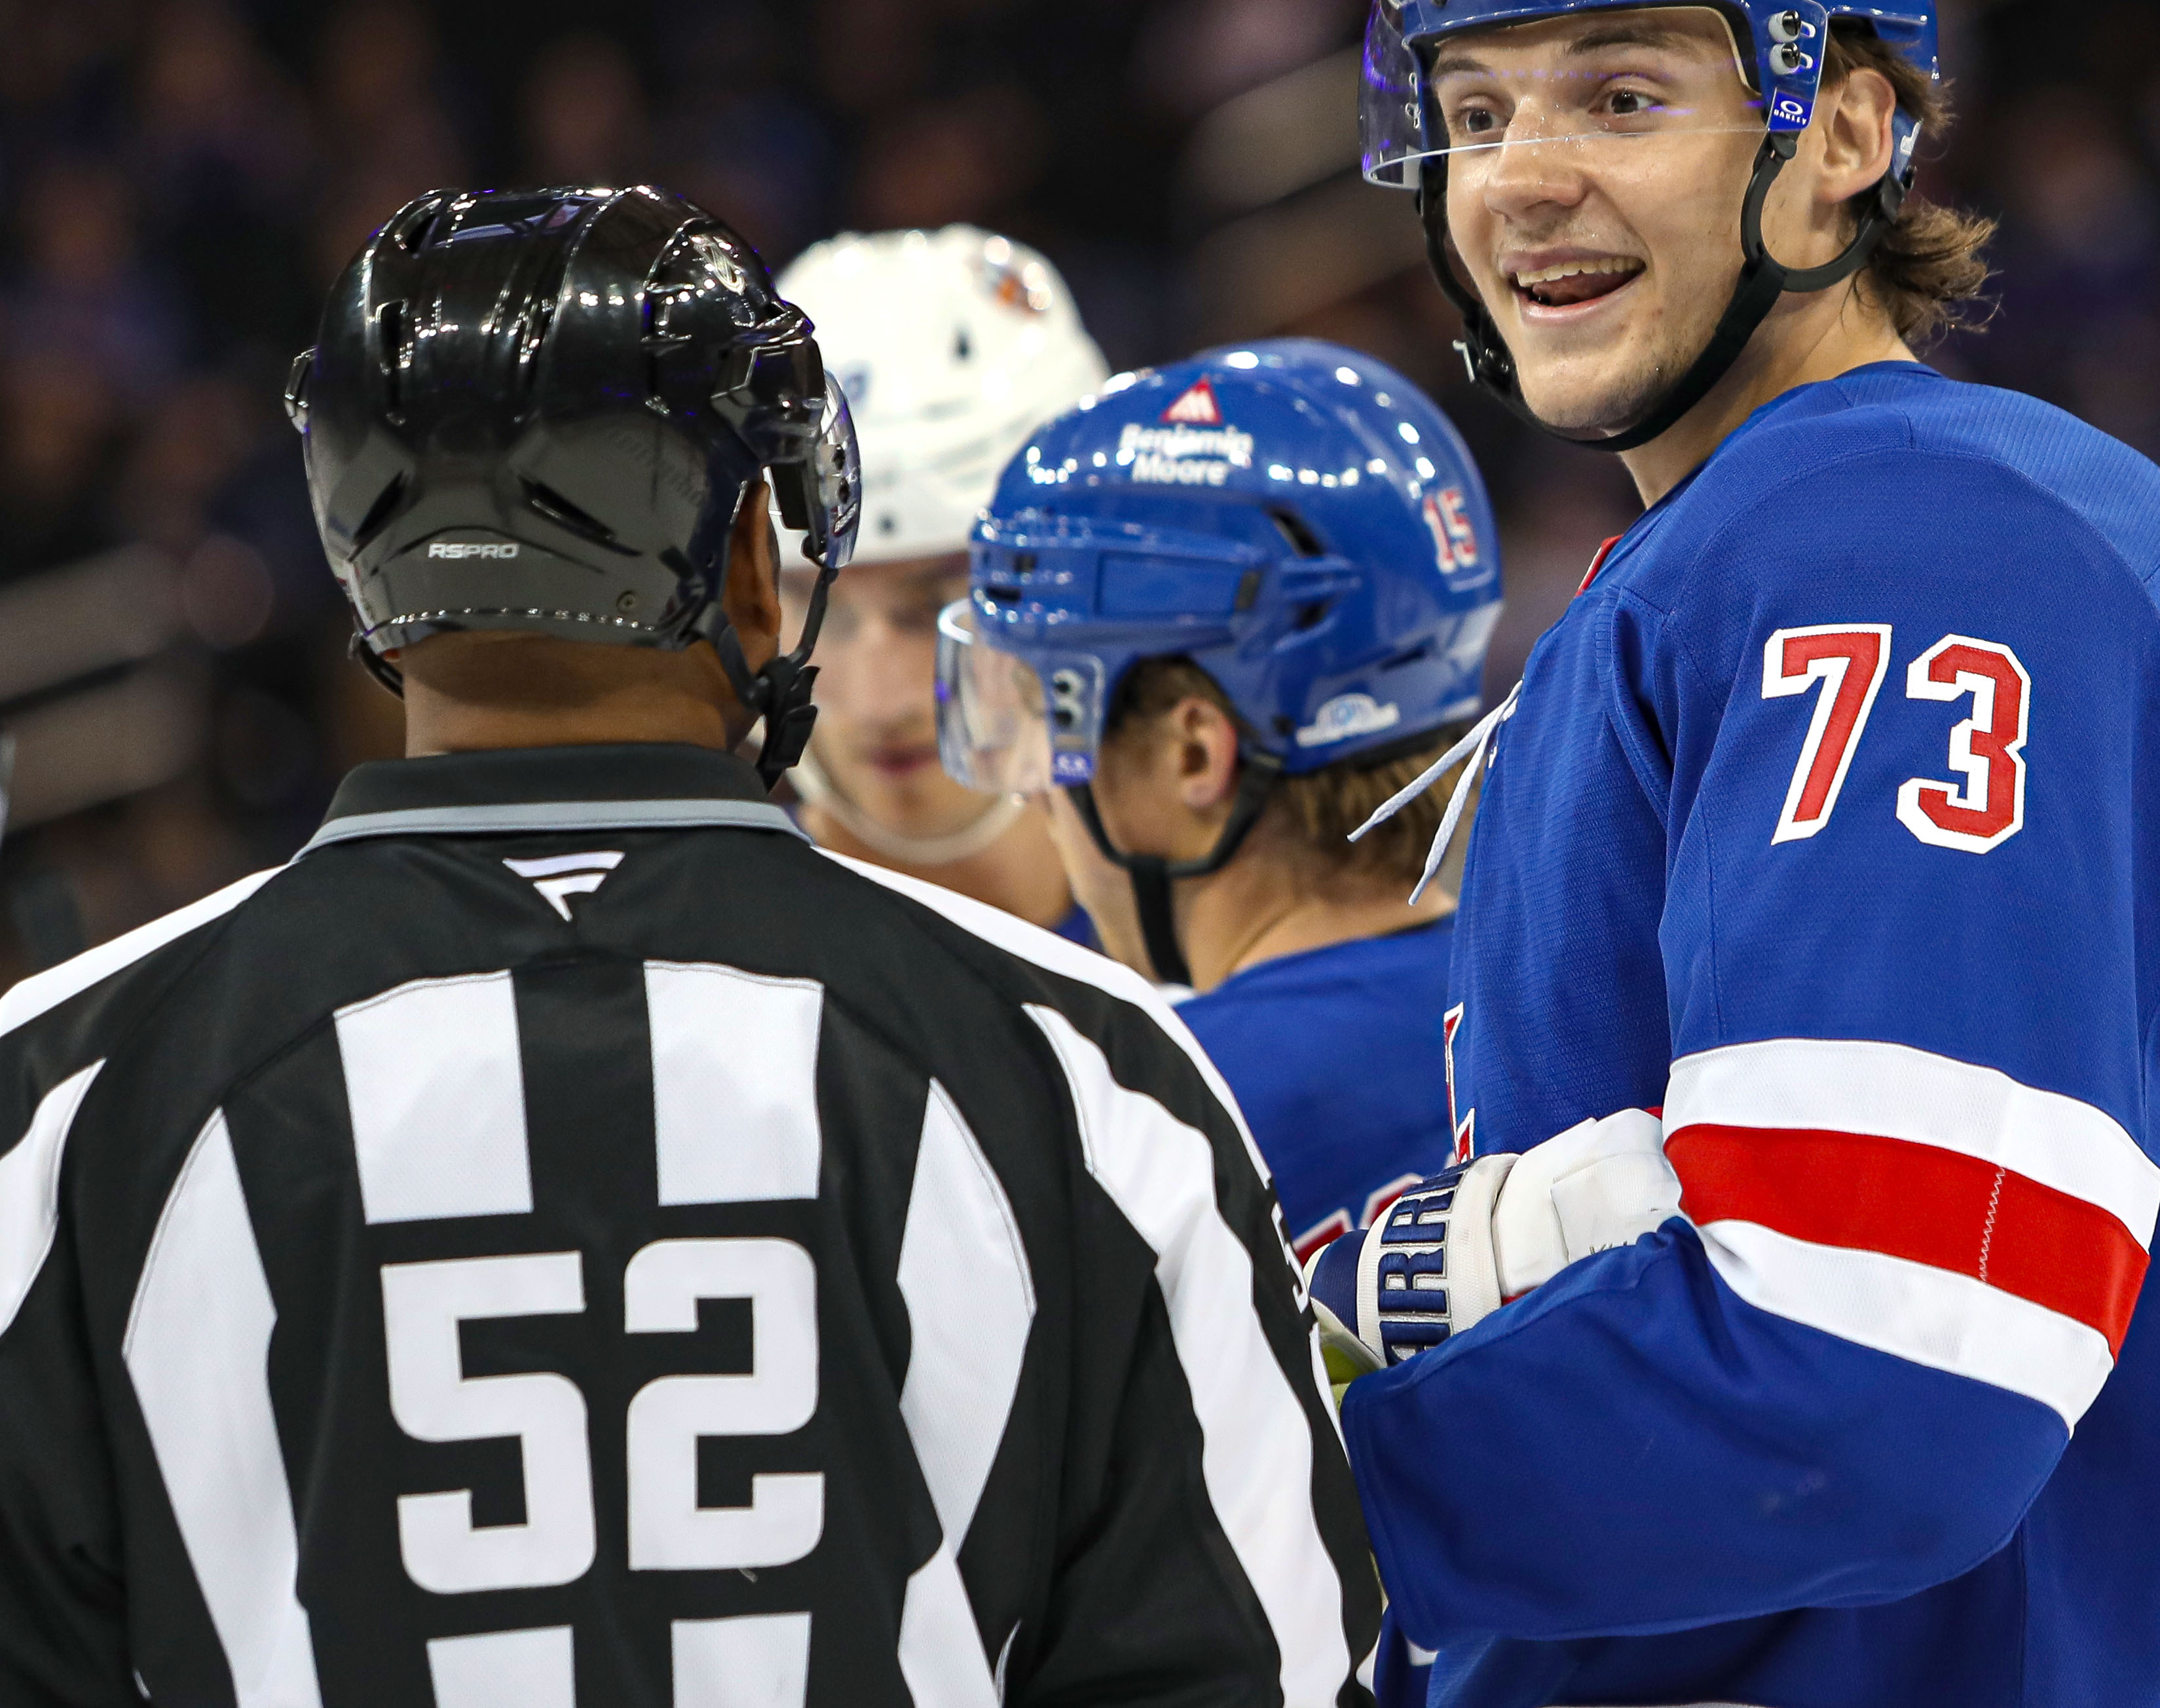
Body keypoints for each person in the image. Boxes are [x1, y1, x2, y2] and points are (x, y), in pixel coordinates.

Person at [1296, 0, 2160, 1705]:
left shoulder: (1906, 537)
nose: (1518, 171)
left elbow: (1880, 1360)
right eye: (1476, 105)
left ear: (1845, 128)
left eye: (1621, 93)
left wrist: (1239, 1492)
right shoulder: (1779, 551)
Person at [0, 187, 1373, 1705]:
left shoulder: (58, 1103)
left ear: (366, 583)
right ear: (745, 568)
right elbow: (1262, 1668)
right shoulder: (1083, 1078)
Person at [933, 339, 1501, 1255]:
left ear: (1194, 751)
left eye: (1044, 710)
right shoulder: (1570, 1023)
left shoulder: (1130, 1121)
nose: (1035, 791)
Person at [770, 225, 1107, 937]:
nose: (878, 702)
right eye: (818, 607)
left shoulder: (1224, 967)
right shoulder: (700, 973)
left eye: (936, 608)